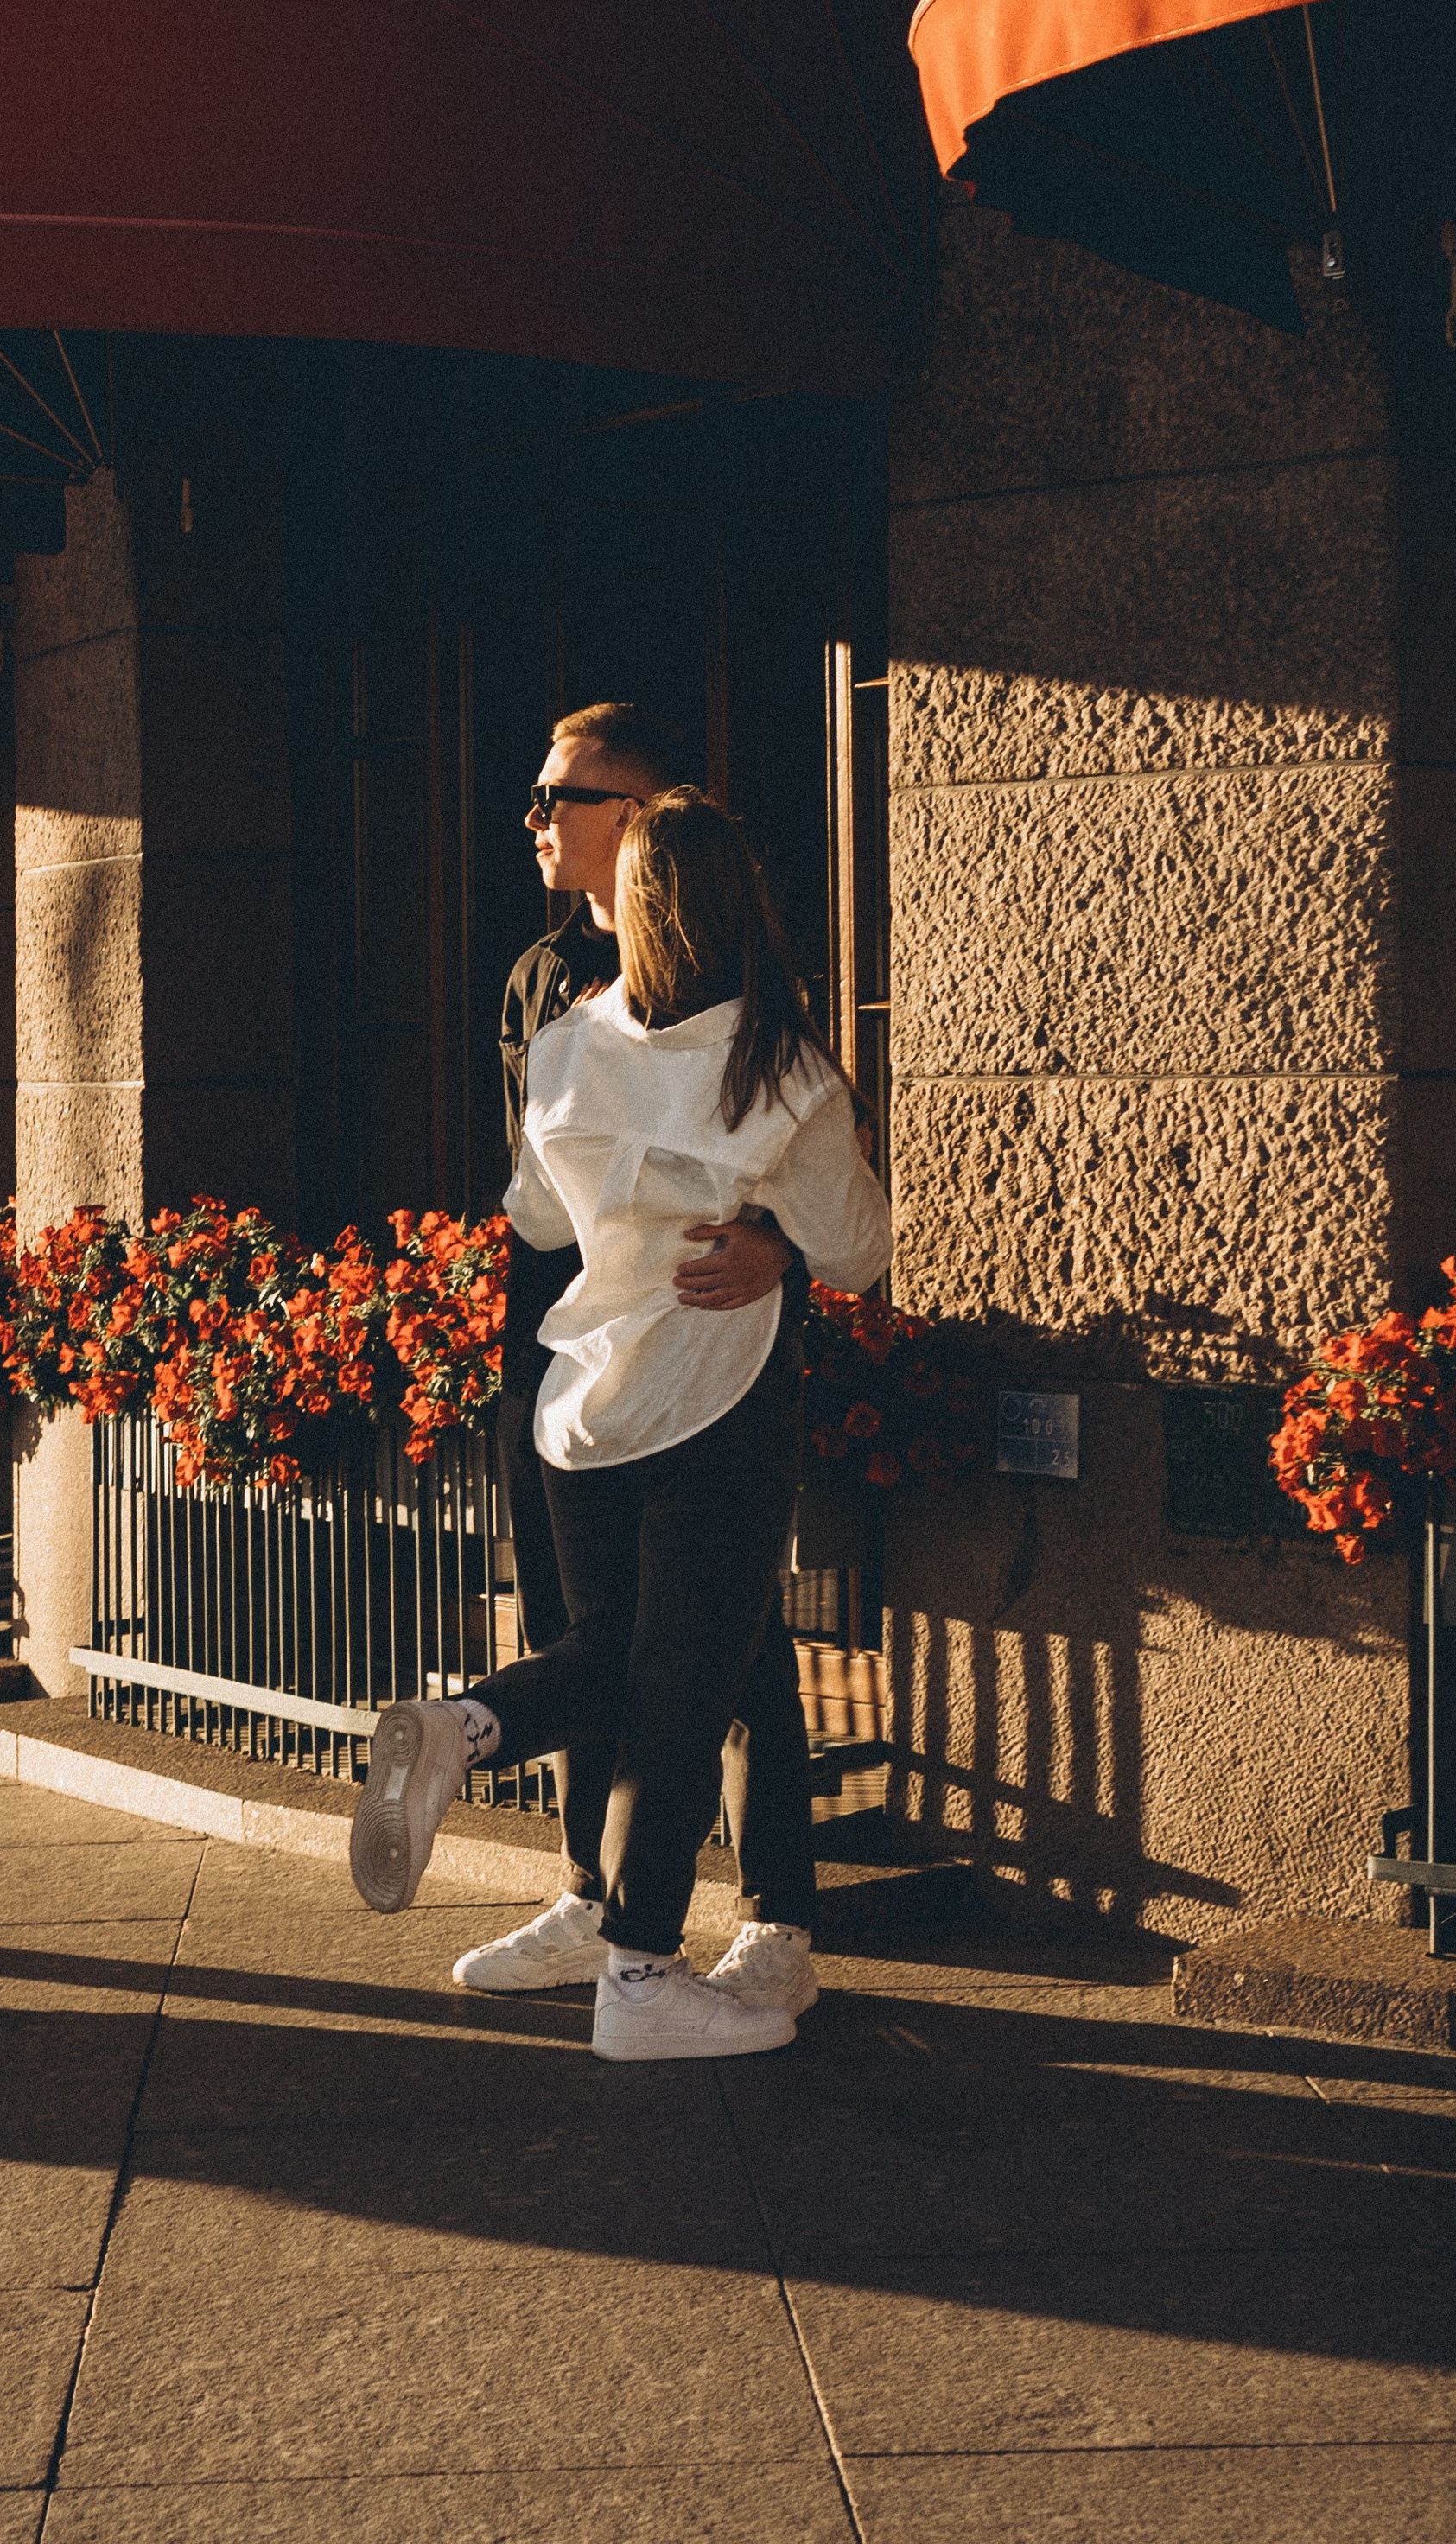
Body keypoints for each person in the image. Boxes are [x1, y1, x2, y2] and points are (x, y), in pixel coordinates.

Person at [351, 786, 891, 2061]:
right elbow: (860, 1250)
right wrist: (773, 1236)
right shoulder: (783, 1070)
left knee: (619, 1658)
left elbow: (538, 1218)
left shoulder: (563, 1049)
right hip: (715, 1400)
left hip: (580, 1403)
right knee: (682, 1696)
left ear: (634, 911)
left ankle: (470, 1728)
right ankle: (639, 1978)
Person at [455, 703, 820, 2018]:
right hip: (560, 1361)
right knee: (582, 1629)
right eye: (537, 796)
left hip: (713, 1361)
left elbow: (811, 1164)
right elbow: (535, 1194)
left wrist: (781, 1248)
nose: (536, 820)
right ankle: (591, 1898)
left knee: (737, 1647)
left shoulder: (746, 976)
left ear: (642, 813)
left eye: (562, 796)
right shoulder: (541, 981)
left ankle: (774, 1916)